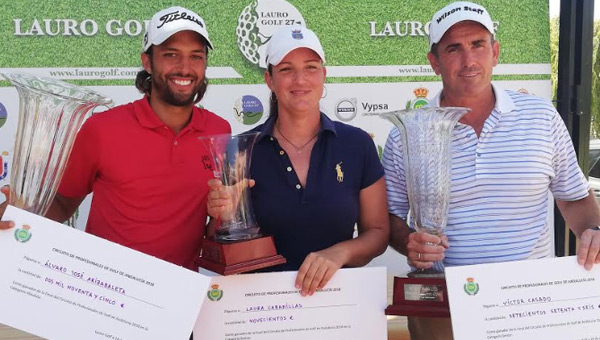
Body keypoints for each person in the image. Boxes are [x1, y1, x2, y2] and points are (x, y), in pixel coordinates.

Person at [382, 2, 600, 339]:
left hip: (530, 301)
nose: (468, 60)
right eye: (453, 48)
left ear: (495, 53)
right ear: (434, 62)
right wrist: (409, 241)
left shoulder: (541, 117)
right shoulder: (406, 134)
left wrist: (595, 230)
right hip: (444, 305)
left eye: (478, 45)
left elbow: (573, 199)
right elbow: (389, 218)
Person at [0, 6, 230, 272]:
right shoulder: (102, 129)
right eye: (171, 55)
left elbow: (215, 225)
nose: (185, 68)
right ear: (147, 62)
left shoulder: (219, 131)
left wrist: (226, 214)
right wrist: (19, 213)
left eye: (196, 57)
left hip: (179, 300)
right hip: (104, 294)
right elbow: (63, 203)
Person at [207, 26, 389, 296]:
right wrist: (220, 217)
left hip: (338, 304)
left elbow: (377, 232)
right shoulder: (240, 149)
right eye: (286, 69)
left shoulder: (357, 144)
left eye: (311, 67)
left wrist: (340, 253)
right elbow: (217, 241)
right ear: (269, 79)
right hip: (260, 307)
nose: (300, 80)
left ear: (324, 75)